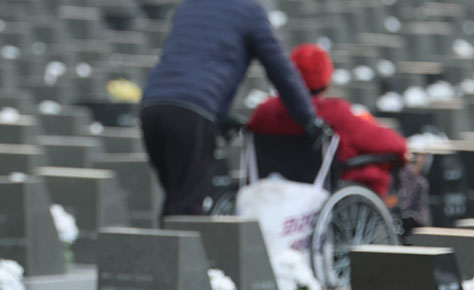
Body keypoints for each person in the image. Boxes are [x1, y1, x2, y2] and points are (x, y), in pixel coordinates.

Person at [140, 0, 325, 218]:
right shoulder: (249, 11)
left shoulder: (190, 5)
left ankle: (163, 251)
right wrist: (308, 117)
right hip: (193, 112)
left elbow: (192, 61)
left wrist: (220, 116)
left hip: (153, 107)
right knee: (187, 209)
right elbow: (280, 69)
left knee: (177, 200)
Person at [248, 43, 408, 198]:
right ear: (326, 78)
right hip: (319, 193)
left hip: (271, 191)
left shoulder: (264, 111)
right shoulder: (334, 113)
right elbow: (393, 144)